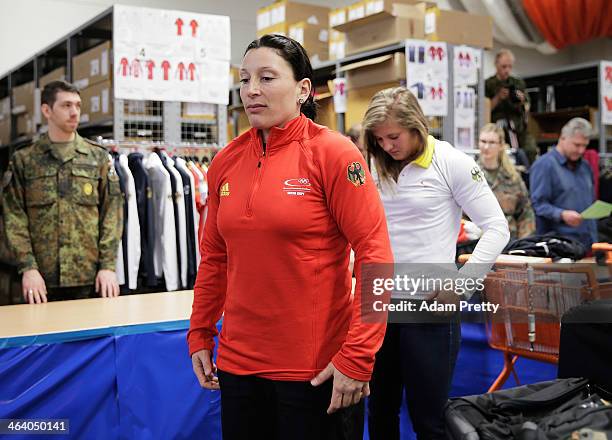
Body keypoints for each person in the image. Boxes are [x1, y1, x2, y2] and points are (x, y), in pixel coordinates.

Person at [188, 35, 393, 440]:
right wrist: (200, 331)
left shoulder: (333, 154)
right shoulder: (226, 161)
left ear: (303, 89)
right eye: (245, 79)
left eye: (266, 78)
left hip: (316, 372)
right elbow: (215, 258)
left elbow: (376, 256)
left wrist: (358, 355)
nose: (251, 91)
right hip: (238, 366)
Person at [362, 87, 509, 440]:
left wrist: (462, 285)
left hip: (429, 307)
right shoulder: (371, 163)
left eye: (393, 137)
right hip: (379, 304)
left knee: (429, 418)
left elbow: (497, 228)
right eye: (379, 138)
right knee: (379, 411)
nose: (386, 146)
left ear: (417, 127)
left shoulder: (452, 162)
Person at [2, 80, 123, 303]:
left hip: (89, 277)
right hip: (39, 280)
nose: (74, 112)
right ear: (47, 110)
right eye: (66, 105)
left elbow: (112, 213)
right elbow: (14, 217)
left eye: (78, 105)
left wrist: (107, 266)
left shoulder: (97, 157)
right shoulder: (25, 160)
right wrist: (28, 267)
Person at [530, 117, 597, 250]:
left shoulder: (585, 166)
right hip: (559, 247)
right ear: (563, 138)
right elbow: (537, 204)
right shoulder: (545, 165)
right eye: (577, 145)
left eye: (585, 145)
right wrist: (561, 214)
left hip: (588, 244)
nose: (581, 150)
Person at [478, 123, 535, 240]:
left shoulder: (513, 177)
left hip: (509, 240)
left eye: (492, 142)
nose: (486, 147)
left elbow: (525, 212)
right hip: (477, 241)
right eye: (483, 141)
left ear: (501, 146)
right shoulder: (469, 173)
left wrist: (524, 242)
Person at [485, 49, 537, 163]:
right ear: (496, 64)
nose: (507, 70)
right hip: (497, 127)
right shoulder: (488, 84)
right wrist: (498, 98)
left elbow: (527, 106)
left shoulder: (518, 83)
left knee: (531, 149)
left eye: (510, 67)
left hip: (517, 127)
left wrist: (522, 99)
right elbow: (484, 110)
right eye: (504, 66)